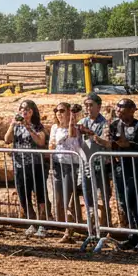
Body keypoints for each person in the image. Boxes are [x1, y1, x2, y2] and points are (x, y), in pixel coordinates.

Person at [107, 98, 138, 251]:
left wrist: (128, 145)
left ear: (131, 110)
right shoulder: (114, 125)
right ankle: (133, 235)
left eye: (122, 107)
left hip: (136, 168)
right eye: (117, 106)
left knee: (132, 200)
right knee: (123, 202)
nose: (118, 109)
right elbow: (112, 145)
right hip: (120, 168)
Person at [3, 98, 49, 236]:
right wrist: (12, 124)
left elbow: (40, 141)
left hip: (35, 164)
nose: (24, 112)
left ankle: (43, 224)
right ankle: (32, 222)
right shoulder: (16, 125)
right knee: (24, 196)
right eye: (22, 109)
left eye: (27, 110)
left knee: (40, 195)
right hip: (19, 165)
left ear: (32, 112)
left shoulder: (38, 126)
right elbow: (7, 139)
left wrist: (29, 127)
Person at [49, 102, 85, 243]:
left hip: (72, 165)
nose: (59, 113)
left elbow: (71, 134)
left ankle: (70, 231)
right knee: (59, 200)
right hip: (58, 164)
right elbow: (51, 144)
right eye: (56, 110)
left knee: (69, 200)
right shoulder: (54, 127)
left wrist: (71, 120)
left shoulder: (76, 126)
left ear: (69, 112)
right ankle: (68, 228)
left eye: (62, 110)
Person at [77, 93, 111, 229]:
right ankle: (91, 228)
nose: (88, 108)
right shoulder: (82, 122)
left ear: (99, 107)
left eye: (91, 105)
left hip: (101, 165)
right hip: (86, 164)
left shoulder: (105, 123)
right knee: (88, 198)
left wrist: (91, 134)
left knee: (104, 198)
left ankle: (107, 228)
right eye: (86, 105)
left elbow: (108, 142)